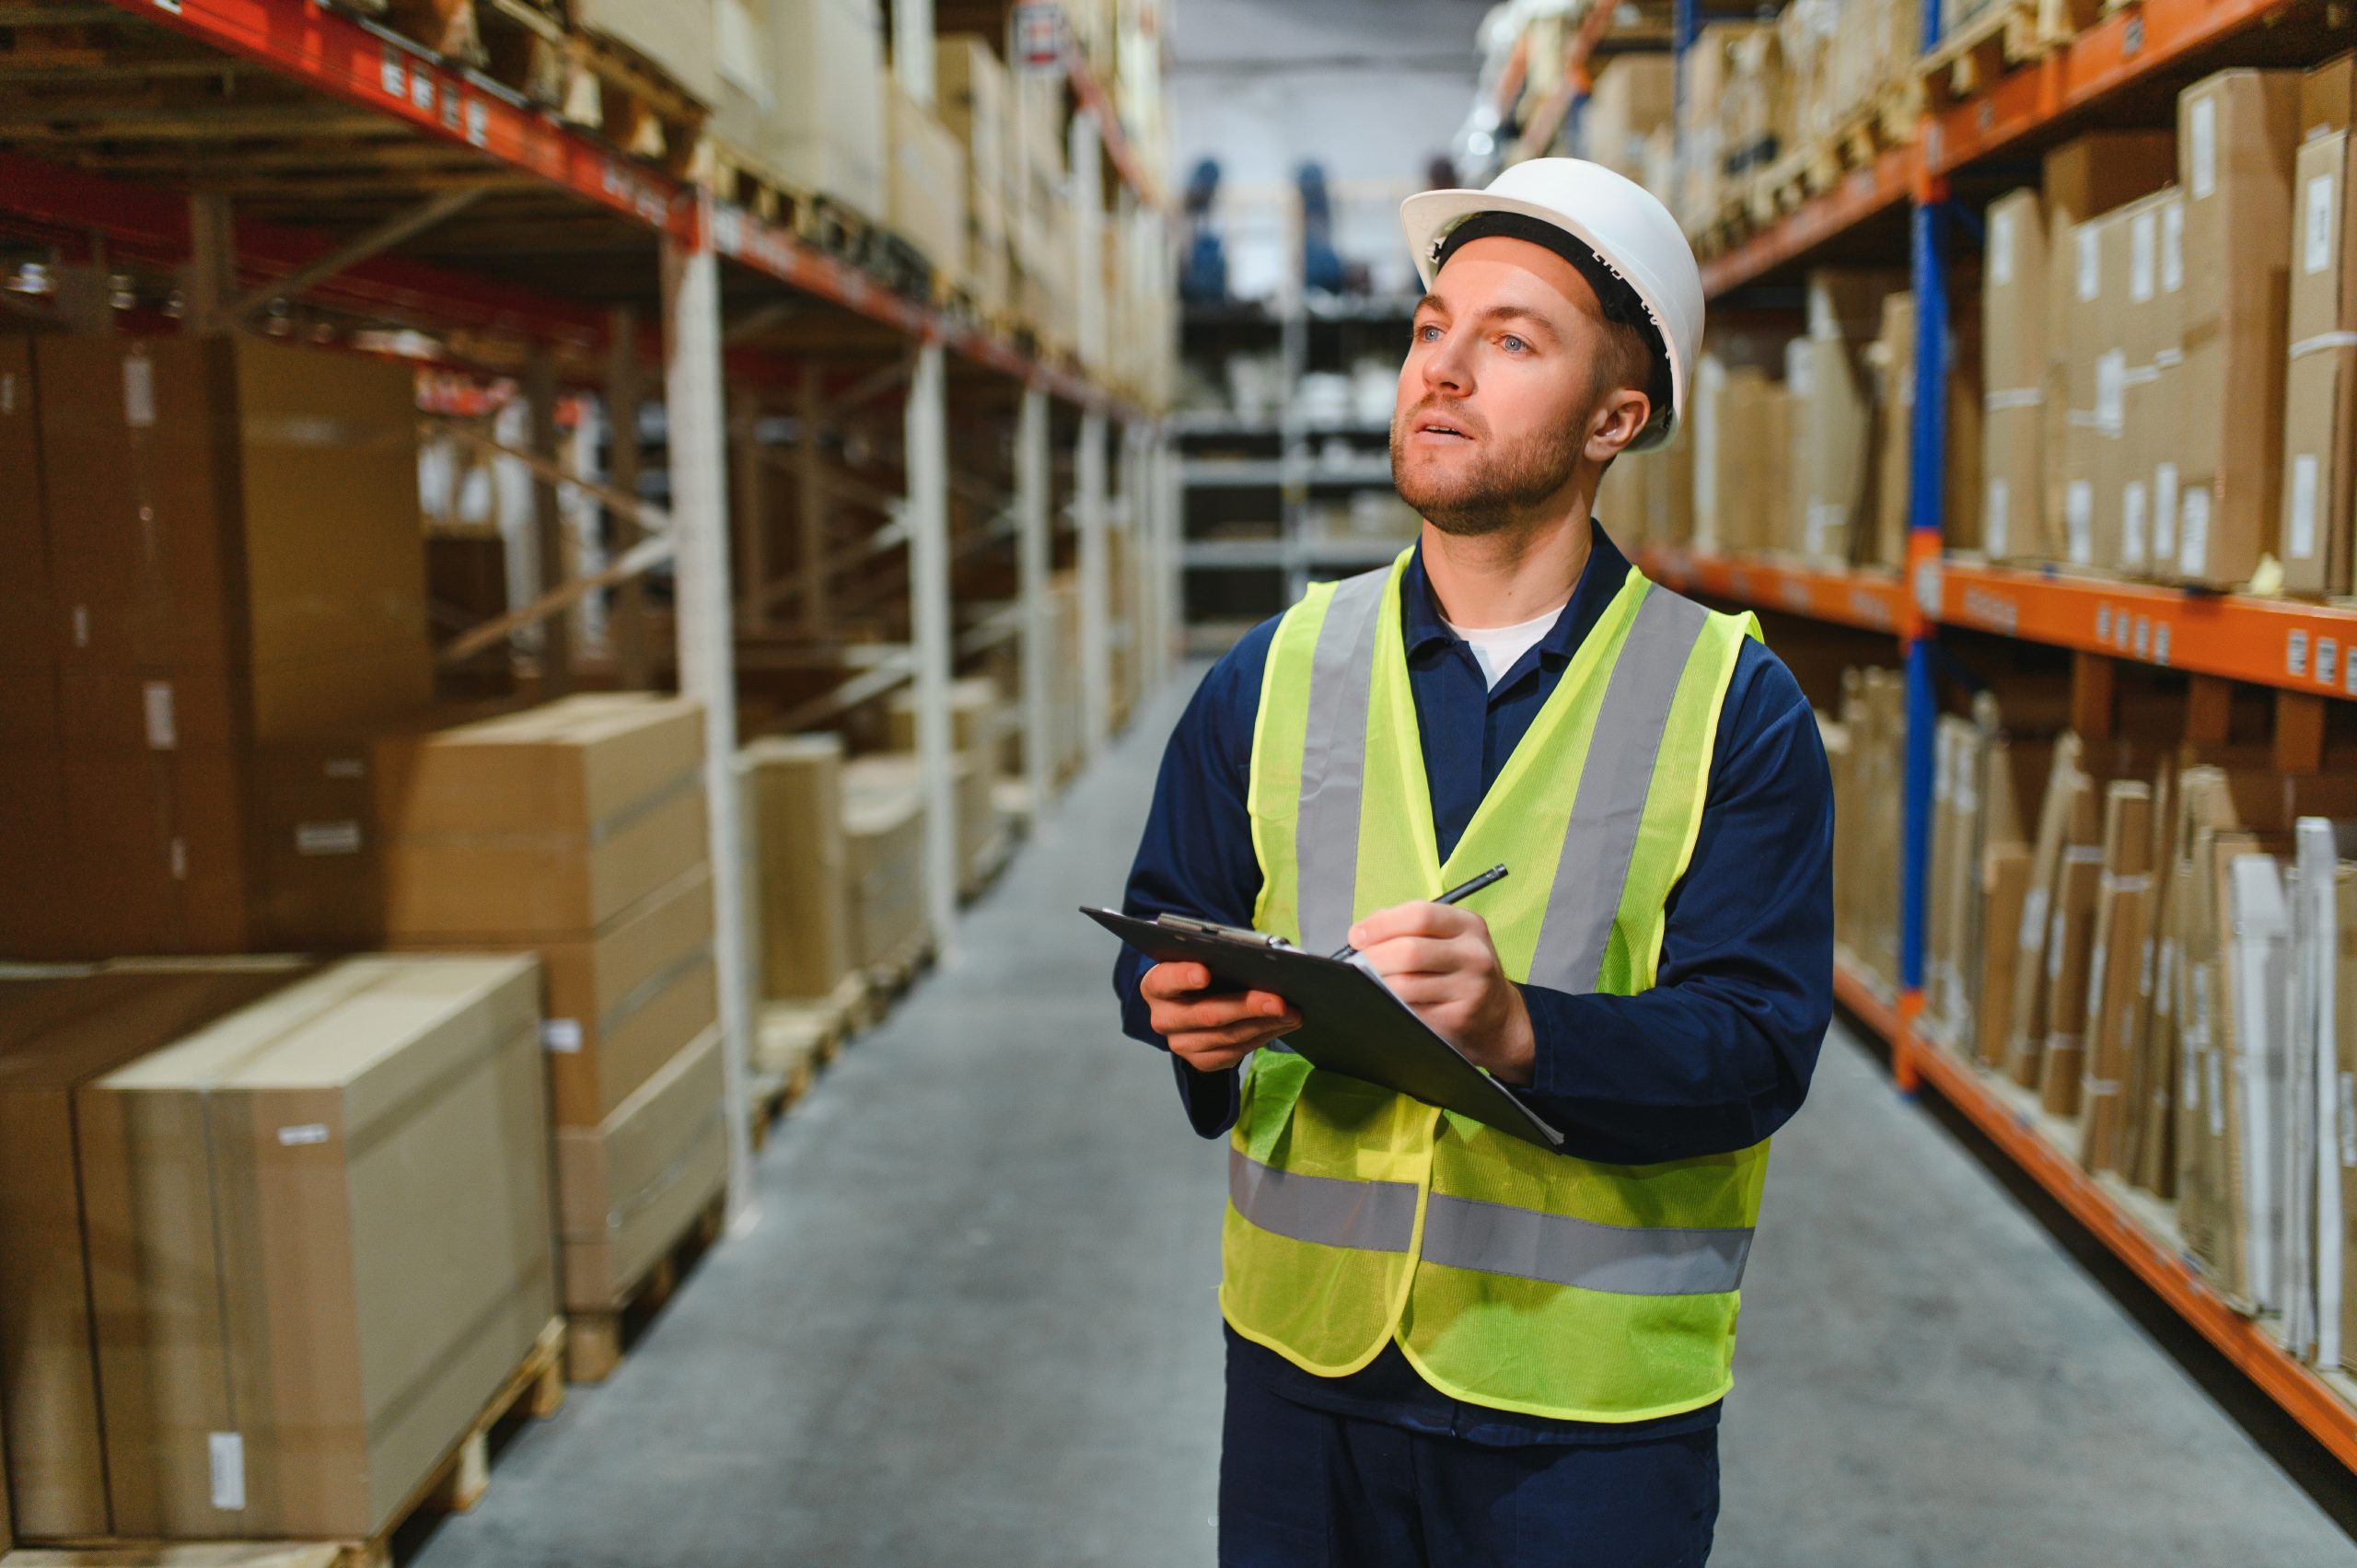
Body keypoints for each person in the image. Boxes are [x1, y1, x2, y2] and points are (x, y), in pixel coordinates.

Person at [1111, 158, 1835, 1566]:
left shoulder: (1729, 706)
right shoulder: (1270, 675)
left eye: (1512, 342)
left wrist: (1521, 1032)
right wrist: (1182, 1023)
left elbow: (1757, 1049)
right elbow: (1158, 935)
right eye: (1431, 328)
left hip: (1580, 1416)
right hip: (1302, 1381)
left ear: (1614, 420)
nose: (1442, 372)